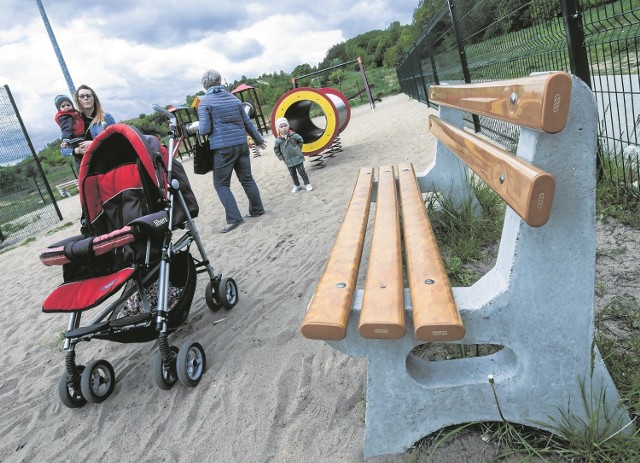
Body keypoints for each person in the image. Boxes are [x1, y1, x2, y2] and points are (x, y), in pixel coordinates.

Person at [197, 69, 267, 233]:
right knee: (247, 178)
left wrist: (198, 128)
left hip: (223, 148)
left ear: (204, 85)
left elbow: (205, 129)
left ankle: (234, 218)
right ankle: (257, 209)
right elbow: (248, 123)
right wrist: (258, 140)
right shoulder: (234, 99)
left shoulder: (205, 103)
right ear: (219, 81)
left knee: (221, 184)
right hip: (241, 144)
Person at [68, 84, 116, 169]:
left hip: (108, 164)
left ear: (94, 99)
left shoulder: (106, 117)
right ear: (78, 100)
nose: (86, 98)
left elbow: (117, 140)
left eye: (88, 96)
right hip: (87, 169)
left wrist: (94, 144)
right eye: (82, 96)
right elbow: (64, 149)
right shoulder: (73, 122)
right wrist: (78, 150)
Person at [273, 117, 313, 192]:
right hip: (288, 160)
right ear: (278, 129)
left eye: (285, 125)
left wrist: (298, 149)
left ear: (288, 126)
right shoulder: (278, 140)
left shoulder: (293, 135)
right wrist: (281, 157)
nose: (284, 128)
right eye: (281, 127)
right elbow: (276, 149)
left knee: (302, 171)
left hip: (297, 157)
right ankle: (297, 185)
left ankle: (307, 184)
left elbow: (300, 140)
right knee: (293, 174)